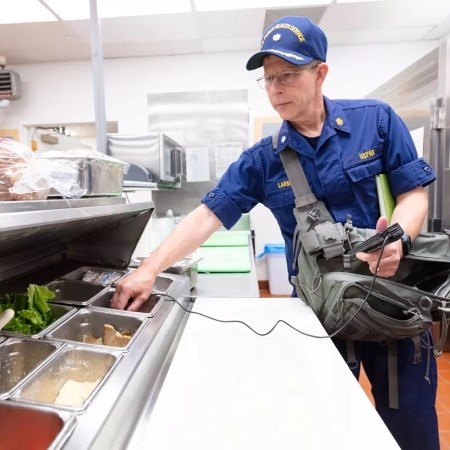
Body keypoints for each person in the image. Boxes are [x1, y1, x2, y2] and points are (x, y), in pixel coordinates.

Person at [112, 16, 438, 450]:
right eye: (268, 79)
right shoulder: (262, 161)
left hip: (389, 305)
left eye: (287, 75)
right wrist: (149, 269)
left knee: (410, 428)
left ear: (320, 73)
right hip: (318, 313)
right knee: (325, 423)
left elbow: (412, 193)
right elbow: (207, 215)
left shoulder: (375, 121)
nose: (276, 88)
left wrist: (396, 237)